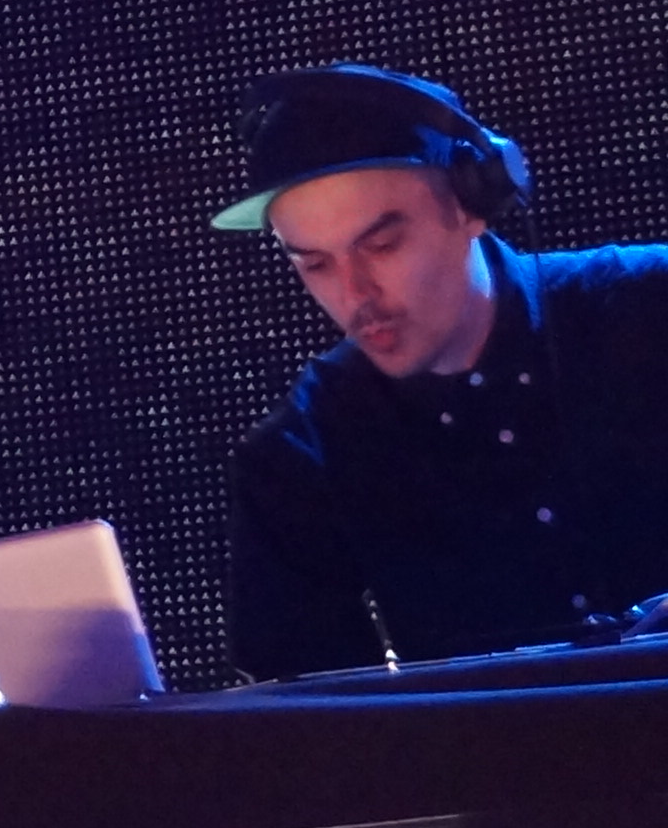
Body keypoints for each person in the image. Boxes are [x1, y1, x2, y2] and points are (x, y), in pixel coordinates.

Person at [222, 64, 668, 679]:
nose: (354, 294)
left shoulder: (649, 307)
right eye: (316, 265)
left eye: (381, 246)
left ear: (473, 204)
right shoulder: (303, 449)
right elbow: (304, 713)